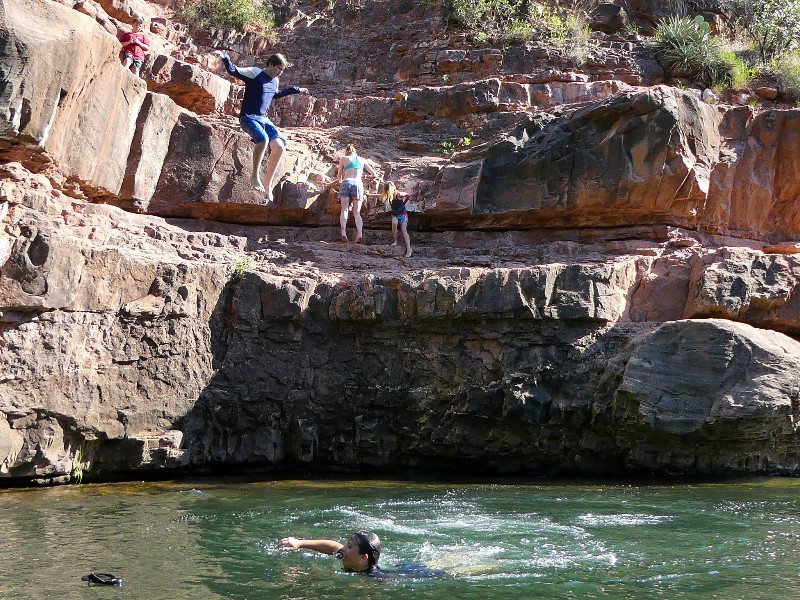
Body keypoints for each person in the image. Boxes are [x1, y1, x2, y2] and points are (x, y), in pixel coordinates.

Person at [213, 50, 309, 200]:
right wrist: (225, 57)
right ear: (270, 64)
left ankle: (268, 184)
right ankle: (254, 176)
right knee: (263, 139)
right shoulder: (255, 73)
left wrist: (296, 90)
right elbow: (233, 71)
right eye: (278, 68)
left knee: (279, 146)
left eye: (282, 70)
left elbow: (275, 94)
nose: (279, 73)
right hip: (248, 118)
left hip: (263, 119)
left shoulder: (275, 80)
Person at [278, 531, 382, 575]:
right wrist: (300, 543)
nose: (343, 548)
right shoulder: (347, 556)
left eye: (349, 546)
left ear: (363, 557)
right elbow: (332, 546)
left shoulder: (374, 578)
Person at [337, 144, 378, 243]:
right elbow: (374, 174)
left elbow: (339, 177)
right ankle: (359, 233)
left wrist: (339, 179)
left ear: (347, 151)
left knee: (344, 209)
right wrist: (369, 177)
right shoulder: (362, 160)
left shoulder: (343, 158)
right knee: (357, 212)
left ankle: (343, 233)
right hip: (358, 184)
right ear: (355, 151)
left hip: (346, 182)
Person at [382, 181, 412, 257]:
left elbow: (407, 195)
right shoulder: (388, 196)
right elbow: (378, 196)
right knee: (394, 223)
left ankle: (409, 248)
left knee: (404, 230)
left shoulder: (398, 194)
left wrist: (404, 202)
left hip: (403, 215)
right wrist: (368, 195)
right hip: (395, 215)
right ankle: (395, 240)